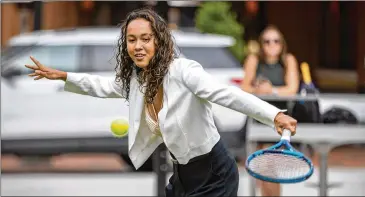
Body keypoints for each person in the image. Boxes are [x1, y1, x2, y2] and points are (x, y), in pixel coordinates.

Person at [25, 9, 297, 197]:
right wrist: (64, 76)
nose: (138, 46)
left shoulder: (183, 70)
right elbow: (103, 85)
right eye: (132, 40)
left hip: (214, 173)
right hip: (182, 173)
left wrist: (273, 115)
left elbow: (224, 93)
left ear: (159, 41)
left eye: (146, 38)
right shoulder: (138, 79)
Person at [241, 25, 300, 196]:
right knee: (260, 169)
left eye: (276, 41)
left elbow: (292, 88)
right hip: (257, 119)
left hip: (279, 120)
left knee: (270, 168)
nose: (271, 44)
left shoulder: (288, 60)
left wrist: (271, 90)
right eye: (267, 41)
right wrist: (259, 90)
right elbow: (244, 87)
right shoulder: (254, 60)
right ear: (261, 44)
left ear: (282, 44)